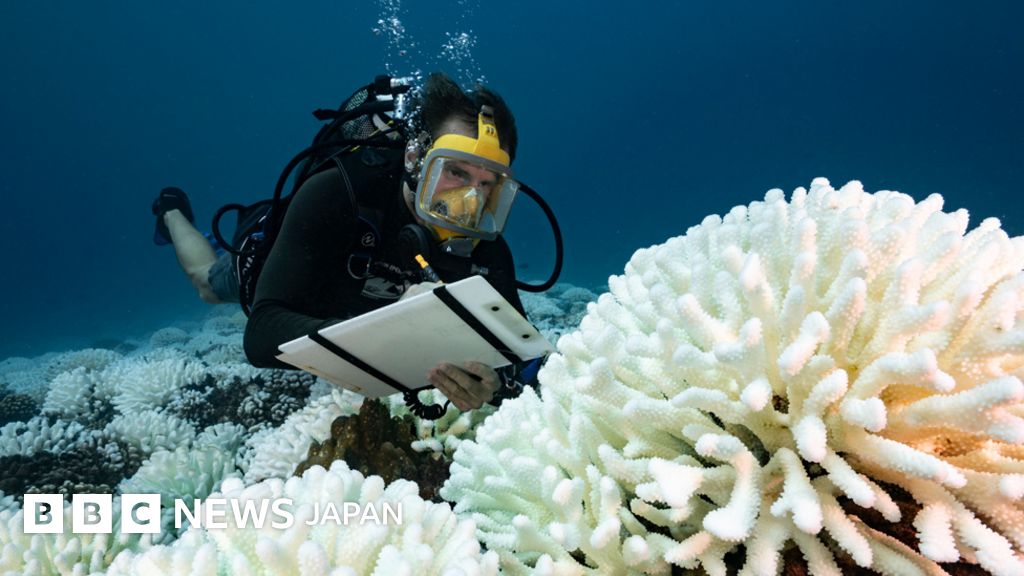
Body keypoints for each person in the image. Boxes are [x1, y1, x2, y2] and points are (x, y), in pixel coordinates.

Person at [152, 72, 536, 412]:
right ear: (417, 156)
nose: (469, 201)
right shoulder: (340, 191)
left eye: (487, 184)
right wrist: (394, 328)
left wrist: (498, 386)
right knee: (207, 285)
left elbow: (520, 356)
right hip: (292, 260)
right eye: (454, 172)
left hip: (335, 319)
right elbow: (261, 334)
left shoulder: (487, 247)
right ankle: (171, 213)